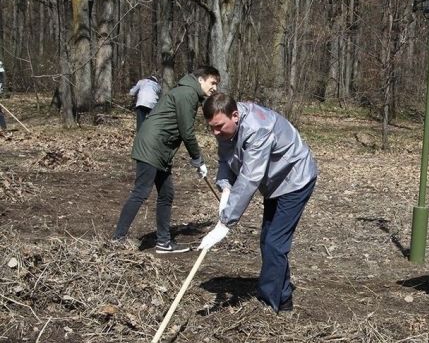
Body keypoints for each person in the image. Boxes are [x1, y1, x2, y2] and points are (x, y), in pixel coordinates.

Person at [197, 93, 318, 313]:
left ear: (234, 116)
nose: (215, 132)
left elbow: (250, 177)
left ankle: (267, 304)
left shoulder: (257, 128)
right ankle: (283, 300)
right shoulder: (226, 124)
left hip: (295, 178)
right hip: (274, 182)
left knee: (274, 242)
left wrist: (225, 222)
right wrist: (225, 185)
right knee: (268, 240)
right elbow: (226, 157)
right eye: (211, 128)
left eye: (219, 127)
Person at [112, 66, 221, 253]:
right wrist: (198, 159)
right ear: (201, 80)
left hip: (160, 149)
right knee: (141, 191)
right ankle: (117, 239)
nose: (215, 88)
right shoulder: (187, 94)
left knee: (166, 194)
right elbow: (187, 132)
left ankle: (164, 242)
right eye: (213, 83)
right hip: (152, 146)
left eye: (216, 84)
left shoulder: (188, 93)